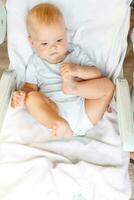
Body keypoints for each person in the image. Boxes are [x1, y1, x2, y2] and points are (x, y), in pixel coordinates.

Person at [11, 3, 115, 138]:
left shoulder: (74, 53)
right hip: (54, 111)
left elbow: (96, 74)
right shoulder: (35, 63)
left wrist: (77, 70)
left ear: (65, 34)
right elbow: (30, 87)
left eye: (59, 40)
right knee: (32, 99)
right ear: (32, 43)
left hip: (85, 111)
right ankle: (60, 125)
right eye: (44, 43)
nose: (54, 47)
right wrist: (22, 95)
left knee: (107, 85)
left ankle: (73, 87)